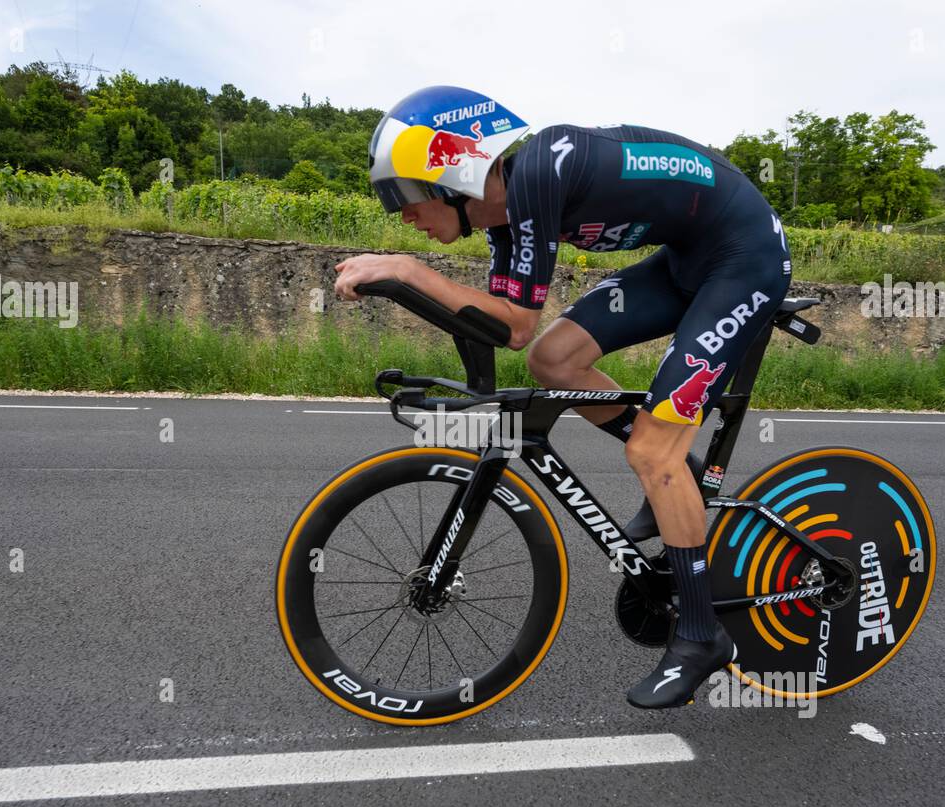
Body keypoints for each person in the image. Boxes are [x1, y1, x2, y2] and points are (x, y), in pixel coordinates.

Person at [334, 85, 792, 709]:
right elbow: (511, 331)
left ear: (452, 172)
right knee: (556, 360)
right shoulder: (507, 222)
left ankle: (699, 633)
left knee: (652, 452)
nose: (403, 216)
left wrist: (410, 270)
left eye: (408, 196)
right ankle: (676, 473)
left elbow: (514, 323)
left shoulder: (545, 170)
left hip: (744, 259)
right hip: (687, 259)